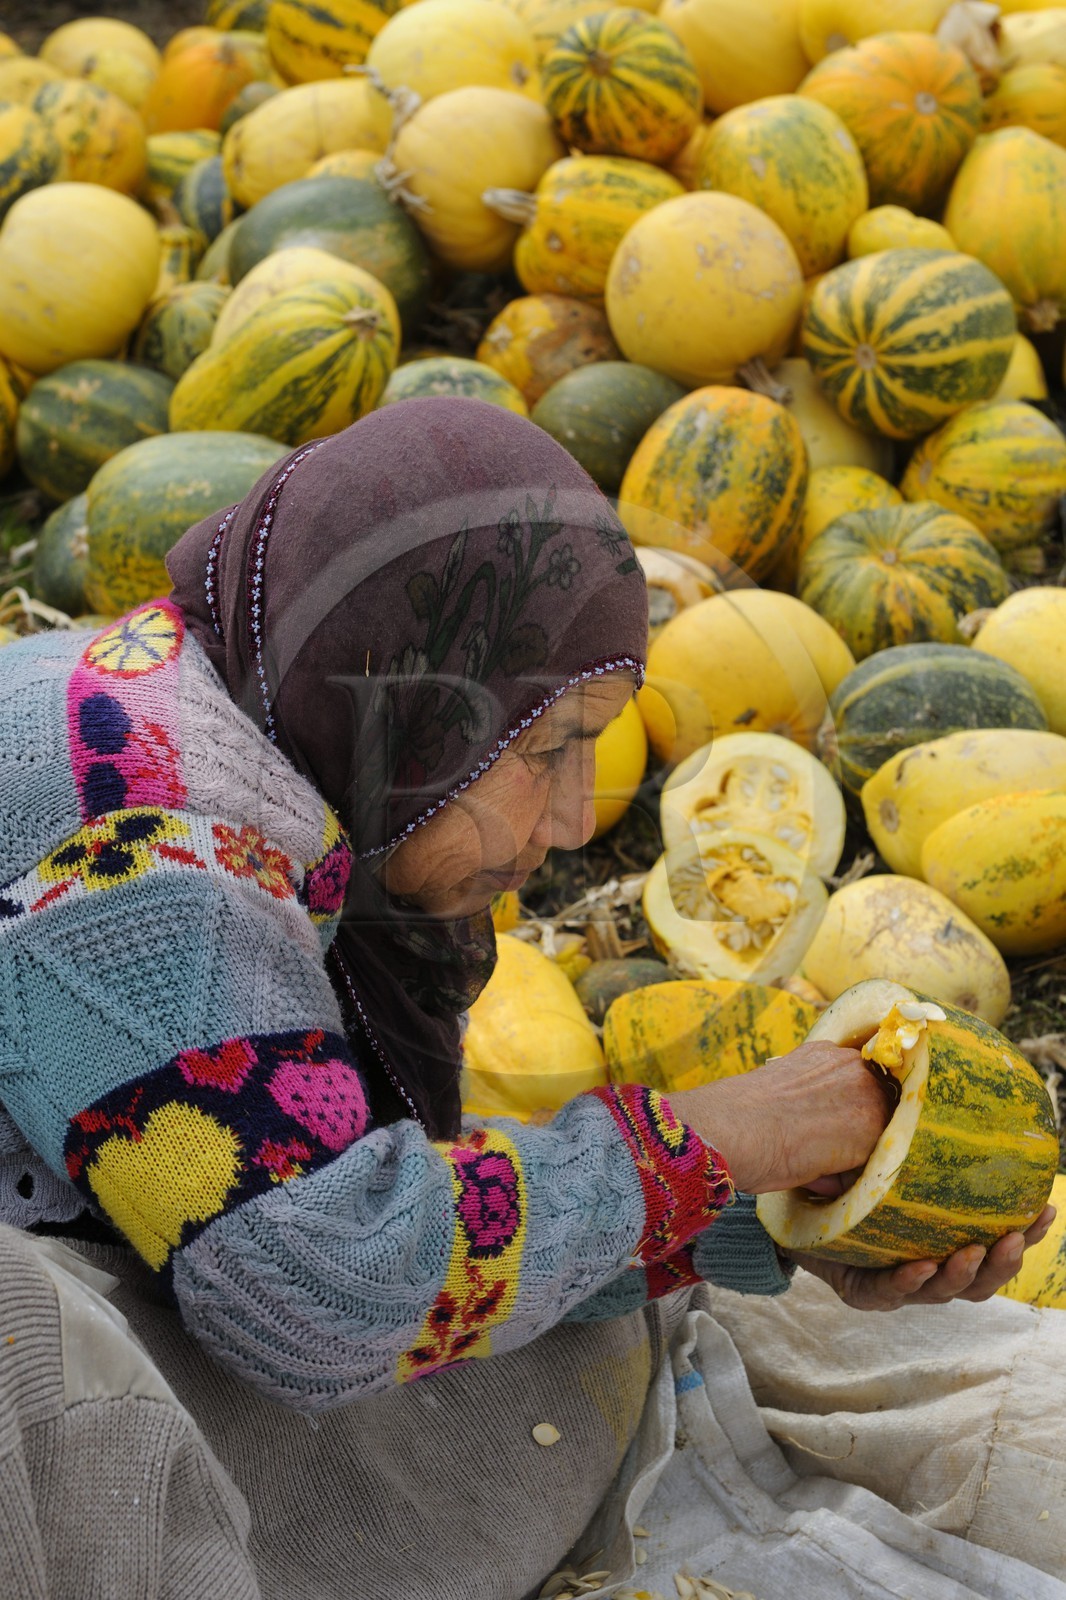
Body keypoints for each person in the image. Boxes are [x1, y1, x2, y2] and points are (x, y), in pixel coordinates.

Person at [0, 399, 1055, 1600]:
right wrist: (721, 1135)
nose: (568, 825)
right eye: (545, 747)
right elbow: (314, 1290)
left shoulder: (262, 729)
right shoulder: (140, 862)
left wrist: (754, 1210)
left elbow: (345, 1203)